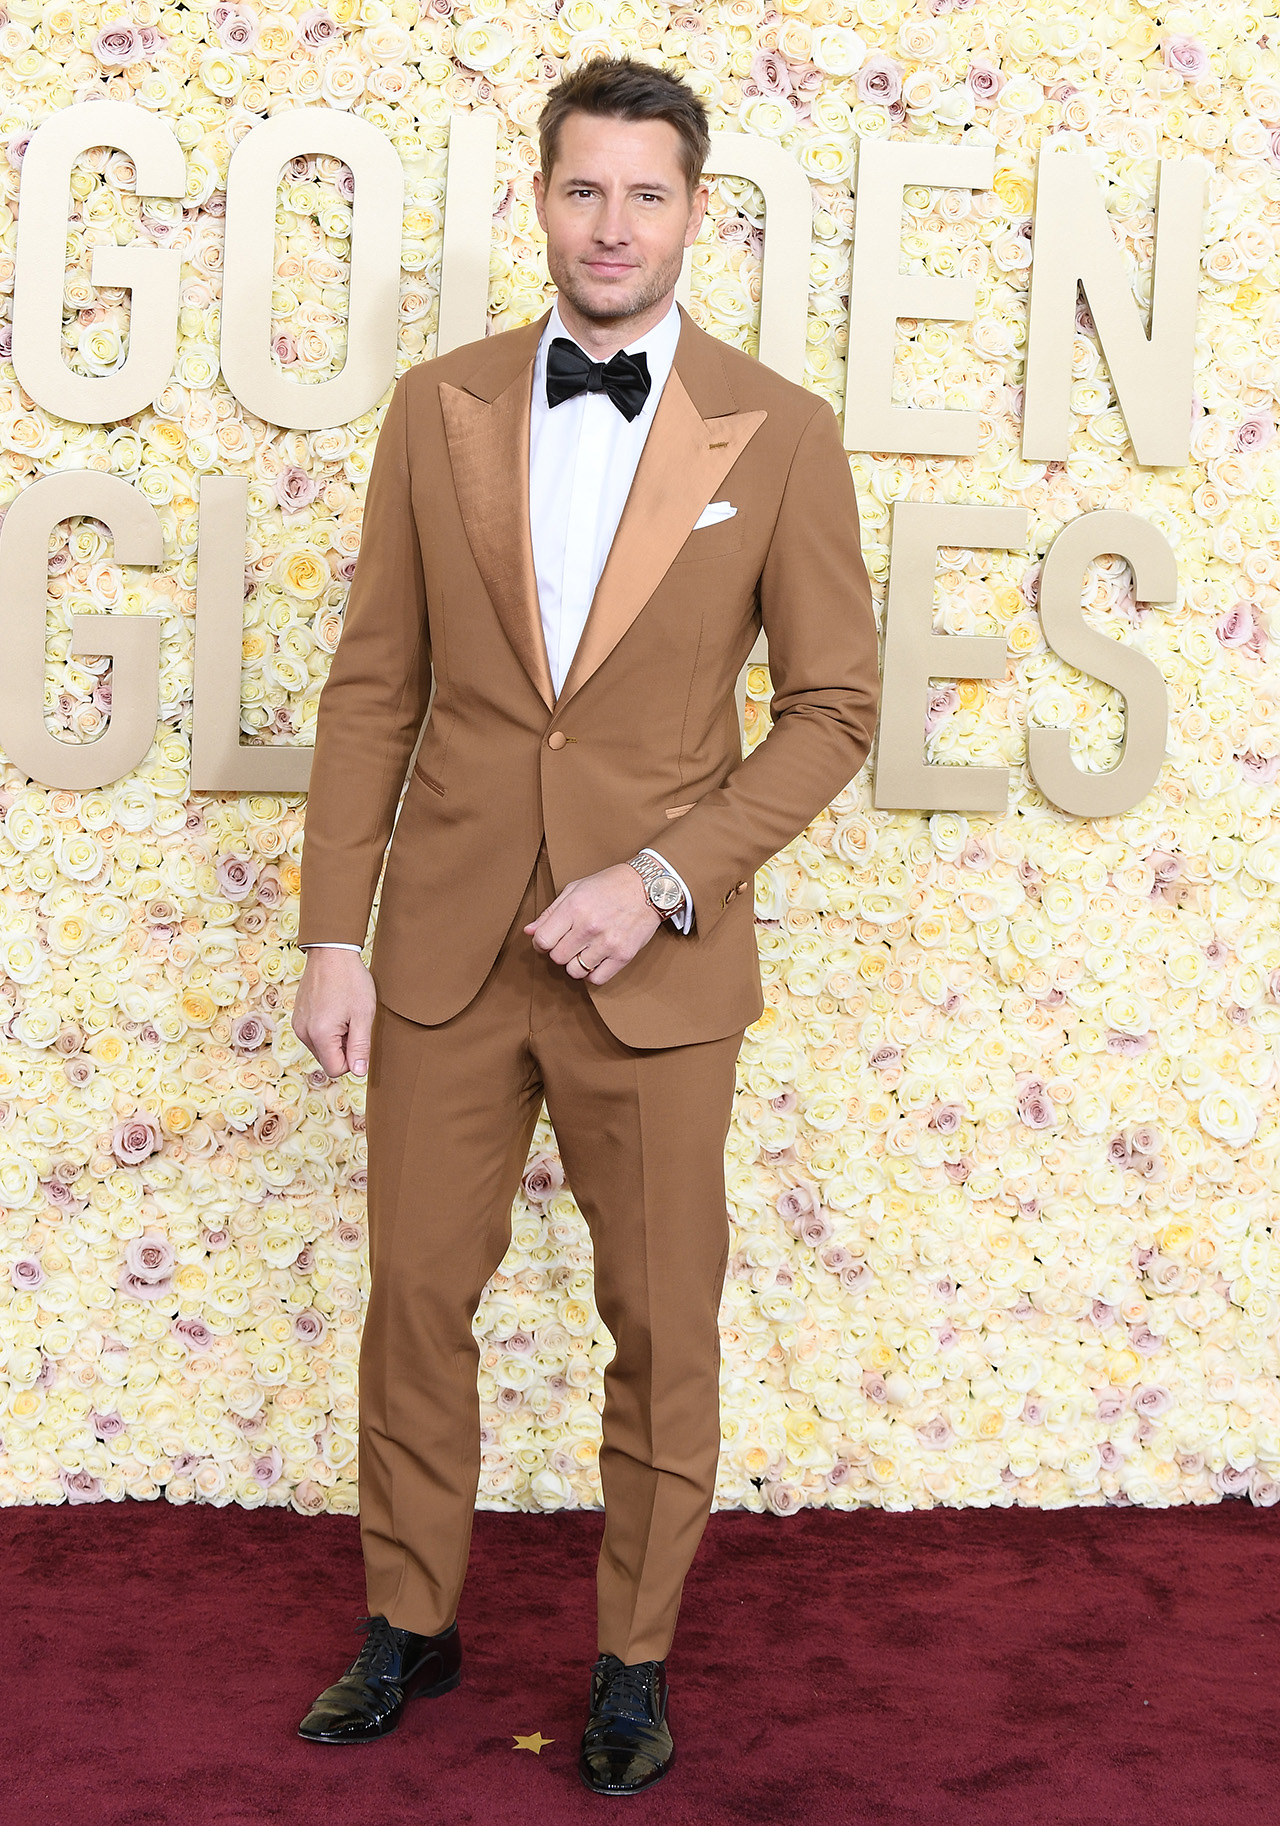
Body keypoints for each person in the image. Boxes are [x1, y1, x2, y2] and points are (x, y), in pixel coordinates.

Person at [289, 56, 879, 1796]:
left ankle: (632, 1659)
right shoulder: (437, 405)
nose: (612, 224)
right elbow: (374, 687)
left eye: (646, 193)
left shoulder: (782, 430)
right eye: (583, 188)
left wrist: (669, 875)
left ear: (696, 214)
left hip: (659, 964)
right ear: (539, 200)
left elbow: (835, 708)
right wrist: (334, 934)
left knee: (662, 1321)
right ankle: (410, 1619)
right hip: (446, 947)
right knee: (414, 1296)